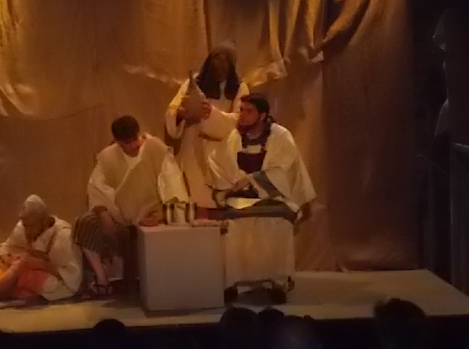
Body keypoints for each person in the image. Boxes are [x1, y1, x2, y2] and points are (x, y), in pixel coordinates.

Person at [208, 93, 316, 302]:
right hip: (242, 198)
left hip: (274, 197)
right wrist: (234, 182)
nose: (242, 115)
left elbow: (285, 169)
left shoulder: (280, 135)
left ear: (263, 115)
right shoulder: (235, 136)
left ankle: (276, 282)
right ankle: (233, 282)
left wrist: (251, 180)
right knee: (234, 226)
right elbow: (218, 162)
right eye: (241, 110)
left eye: (249, 111)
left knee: (278, 224)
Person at [73, 115, 189, 297]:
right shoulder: (108, 157)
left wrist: (161, 216)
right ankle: (103, 279)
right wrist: (104, 214)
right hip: (122, 217)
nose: (134, 145)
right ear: (118, 142)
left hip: (155, 214)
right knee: (86, 222)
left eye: (135, 139)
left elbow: (173, 185)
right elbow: (96, 189)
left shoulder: (155, 148)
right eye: (127, 143)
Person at [165, 42, 250, 214]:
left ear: (231, 65)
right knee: (194, 195)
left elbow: (239, 120)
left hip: (221, 151)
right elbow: (173, 110)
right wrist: (181, 113)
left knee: (218, 201)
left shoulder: (239, 87)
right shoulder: (194, 82)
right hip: (193, 146)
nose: (219, 65)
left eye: (225, 61)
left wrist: (211, 114)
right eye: (216, 59)